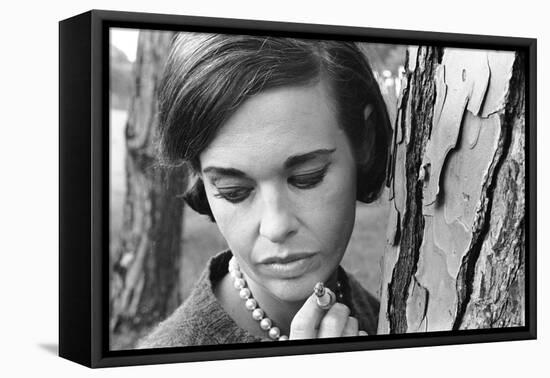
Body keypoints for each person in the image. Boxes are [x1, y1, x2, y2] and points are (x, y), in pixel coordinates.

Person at [137, 32, 391, 348]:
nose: (276, 227)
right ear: (200, 176)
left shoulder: (394, 318)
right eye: (234, 191)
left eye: (306, 177)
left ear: (364, 140)